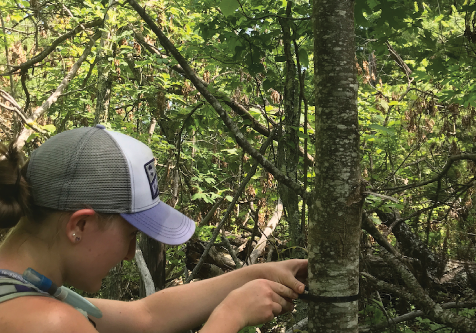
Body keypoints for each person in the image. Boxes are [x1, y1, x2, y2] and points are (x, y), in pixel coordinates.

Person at [0, 125, 307, 333]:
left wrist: (259, 274)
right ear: (80, 225)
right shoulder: (51, 321)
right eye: (131, 235)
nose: (129, 253)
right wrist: (231, 316)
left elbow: (146, 316)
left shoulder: (24, 289)